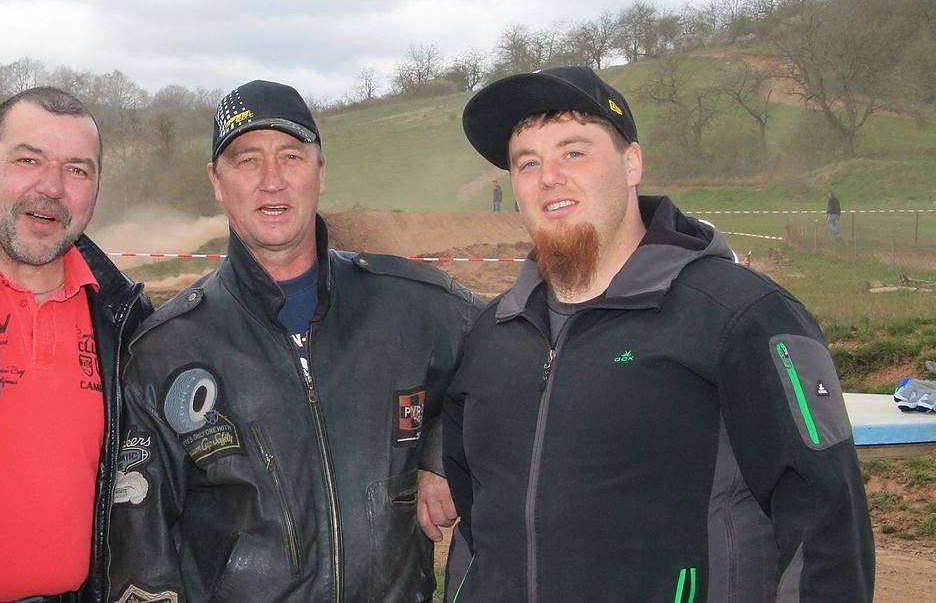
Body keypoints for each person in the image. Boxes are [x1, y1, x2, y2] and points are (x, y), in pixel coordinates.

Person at [444, 66, 874, 602]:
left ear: (632, 164)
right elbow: (477, 524)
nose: (549, 177)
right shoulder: (491, 335)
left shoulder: (743, 315)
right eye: (527, 162)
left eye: (573, 152)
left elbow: (827, 525)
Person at [107, 80, 482, 602]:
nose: (272, 181)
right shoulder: (165, 349)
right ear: (217, 181)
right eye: (247, 161)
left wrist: (442, 452)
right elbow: (141, 550)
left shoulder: (416, 303)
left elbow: (511, 364)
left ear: (320, 173)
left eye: (291, 156)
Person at [0, 87, 152, 603]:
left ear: (95, 189)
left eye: (77, 170)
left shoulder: (127, 317)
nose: (52, 187)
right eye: (28, 160)